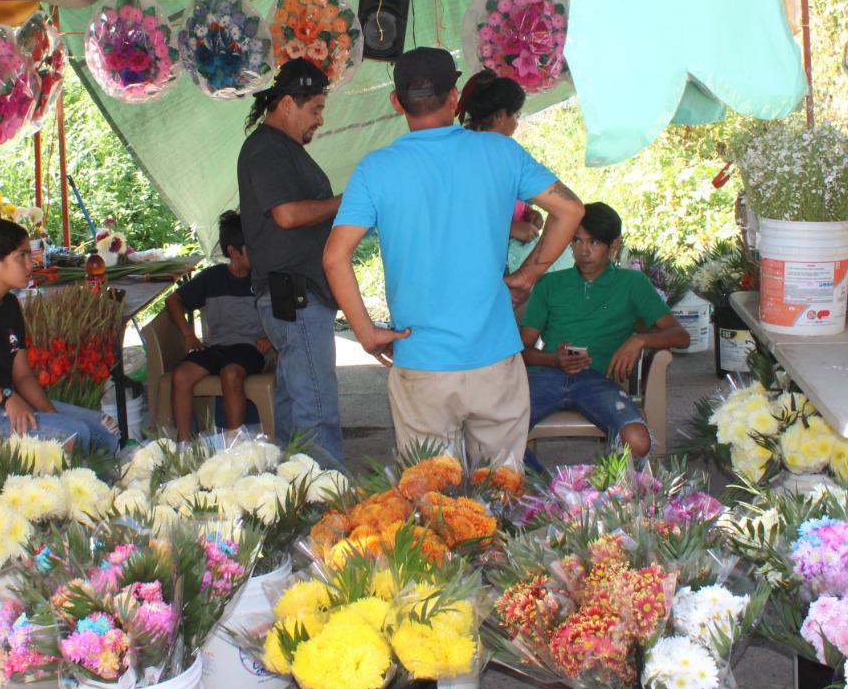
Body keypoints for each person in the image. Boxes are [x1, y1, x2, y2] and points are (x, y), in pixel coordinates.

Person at [324, 47, 584, 465]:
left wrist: (367, 333)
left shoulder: (376, 169)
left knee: (433, 503)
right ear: (455, 97)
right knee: (501, 489)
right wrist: (529, 274)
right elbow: (570, 210)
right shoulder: (500, 152)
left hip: (421, 362)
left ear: (396, 103)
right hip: (495, 357)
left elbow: (335, 258)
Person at [0, 218, 119, 453]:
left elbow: (23, 375)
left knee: (104, 432)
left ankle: (109, 488)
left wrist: (49, 415)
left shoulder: (9, 304)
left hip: (4, 405)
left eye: (30, 255)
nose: (30, 265)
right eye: (21, 256)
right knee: (70, 437)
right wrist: (4, 396)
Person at [236, 58, 344, 465]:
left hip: (295, 296)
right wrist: (346, 203)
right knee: (316, 412)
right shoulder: (266, 148)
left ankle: (290, 497)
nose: (319, 119)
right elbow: (288, 215)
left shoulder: (282, 148)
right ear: (286, 104)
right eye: (314, 109)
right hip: (295, 298)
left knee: (295, 407)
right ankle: (326, 504)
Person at [520, 202, 689, 461]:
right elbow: (521, 350)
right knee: (493, 434)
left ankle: (605, 496)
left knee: (637, 440)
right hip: (546, 377)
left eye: (594, 242)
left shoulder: (632, 284)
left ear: (614, 246)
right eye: (576, 241)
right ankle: (552, 492)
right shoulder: (550, 284)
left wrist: (639, 340)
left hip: (598, 381)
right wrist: (554, 359)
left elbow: (681, 336)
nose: (583, 251)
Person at [163, 210, 272, 437]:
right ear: (233, 252)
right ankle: (184, 446)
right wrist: (187, 334)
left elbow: (284, 312)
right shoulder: (213, 278)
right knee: (181, 375)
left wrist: (270, 337)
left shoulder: (264, 278)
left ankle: (234, 447)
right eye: (251, 247)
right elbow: (173, 300)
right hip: (218, 347)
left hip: (251, 348)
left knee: (230, 374)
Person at [457, 72, 574, 273]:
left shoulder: (481, 150)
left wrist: (527, 213)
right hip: (467, 265)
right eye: (517, 116)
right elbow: (457, 215)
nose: (517, 123)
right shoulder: (469, 155)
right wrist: (509, 229)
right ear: (501, 116)